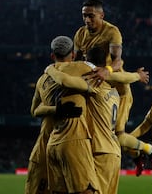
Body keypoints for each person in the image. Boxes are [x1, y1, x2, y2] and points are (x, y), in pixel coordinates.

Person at [45, 46, 150, 194]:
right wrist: (137, 76)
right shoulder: (117, 89)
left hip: (100, 149)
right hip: (114, 150)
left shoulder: (95, 84)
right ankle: (147, 150)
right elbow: (123, 77)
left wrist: (51, 69)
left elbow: (66, 81)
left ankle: (148, 150)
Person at [73, 0, 152, 175]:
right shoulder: (80, 34)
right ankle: (136, 155)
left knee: (117, 136)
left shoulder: (112, 32)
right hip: (97, 91)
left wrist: (108, 70)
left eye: (91, 16)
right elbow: (75, 61)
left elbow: (118, 61)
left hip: (117, 91)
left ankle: (150, 150)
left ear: (101, 15)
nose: (87, 20)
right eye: (84, 16)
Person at [25, 35, 98, 194]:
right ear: (73, 54)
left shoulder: (42, 79)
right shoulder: (81, 68)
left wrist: (55, 109)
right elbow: (104, 74)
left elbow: (34, 110)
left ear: (52, 56)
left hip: (49, 143)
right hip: (74, 140)